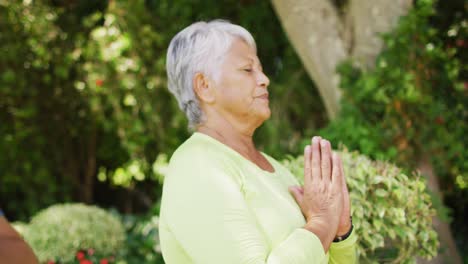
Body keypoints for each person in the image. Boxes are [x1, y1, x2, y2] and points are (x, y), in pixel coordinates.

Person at [159, 20, 357, 263]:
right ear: (204, 86)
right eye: (247, 69)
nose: (264, 79)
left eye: (260, 69)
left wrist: (339, 233)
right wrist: (321, 222)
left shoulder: (277, 170)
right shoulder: (196, 167)